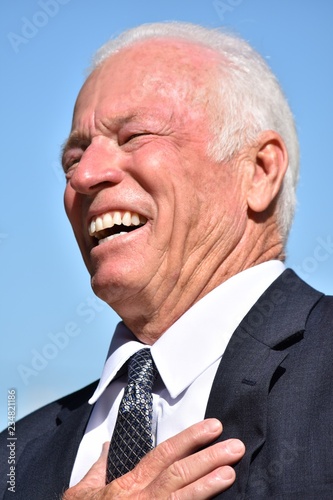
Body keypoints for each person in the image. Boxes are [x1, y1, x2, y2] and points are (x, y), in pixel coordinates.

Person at [1, 21, 333, 499]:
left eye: (135, 135)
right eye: (73, 159)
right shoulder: (14, 455)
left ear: (259, 172)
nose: (85, 175)